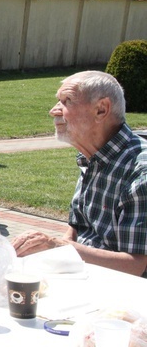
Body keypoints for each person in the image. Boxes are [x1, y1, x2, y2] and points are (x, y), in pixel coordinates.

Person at [11, 71, 147, 277]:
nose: (54, 111)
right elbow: (76, 230)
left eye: (67, 101)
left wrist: (56, 246)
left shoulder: (140, 171)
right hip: (85, 277)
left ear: (101, 110)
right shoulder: (91, 156)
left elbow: (135, 265)